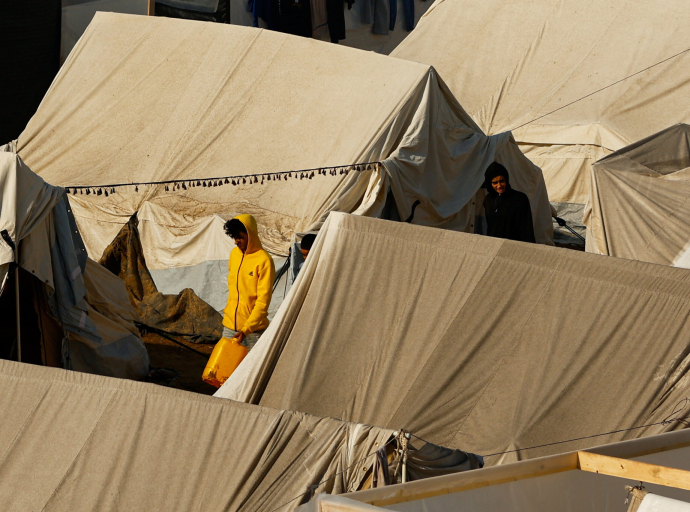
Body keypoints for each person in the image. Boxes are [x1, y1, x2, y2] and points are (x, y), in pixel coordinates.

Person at [222, 214, 275, 351]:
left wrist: (246, 330)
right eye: (234, 237)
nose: (236, 241)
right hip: (229, 328)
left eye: (240, 237)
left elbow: (263, 302)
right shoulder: (234, 255)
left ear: (250, 235)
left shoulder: (264, 261)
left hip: (252, 332)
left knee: (250, 372)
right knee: (223, 371)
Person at [483, 162, 536, 243]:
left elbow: (526, 228)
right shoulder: (488, 200)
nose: (499, 185)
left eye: (502, 181)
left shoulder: (519, 198)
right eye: (495, 182)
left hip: (514, 245)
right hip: (494, 244)